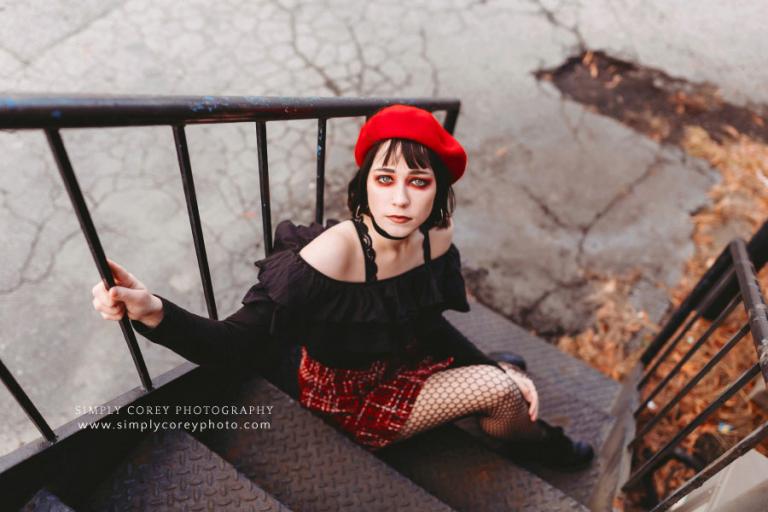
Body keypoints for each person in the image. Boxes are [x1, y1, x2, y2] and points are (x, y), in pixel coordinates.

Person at [91, 104, 593, 470]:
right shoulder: (328, 257)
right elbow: (228, 347)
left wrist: (480, 363)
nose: (399, 199)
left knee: (493, 374)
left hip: (402, 356)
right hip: (351, 397)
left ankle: (496, 391)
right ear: (364, 184)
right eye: (384, 178)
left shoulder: (435, 237)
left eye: (418, 182)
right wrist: (151, 308)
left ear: (438, 190)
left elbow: (423, 321)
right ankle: (538, 442)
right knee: (502, 390)